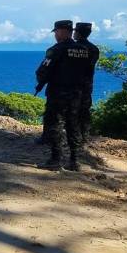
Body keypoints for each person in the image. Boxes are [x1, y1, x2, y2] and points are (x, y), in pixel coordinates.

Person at [35, 20, 91, 171]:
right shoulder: (83, 49)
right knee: (73, 124)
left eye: (56, 32)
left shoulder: (56, 49)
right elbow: (87, 72)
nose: (55, 35)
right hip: (77, 93)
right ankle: (75, 160)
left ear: (63, 31)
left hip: (58, 93)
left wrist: (41, 81)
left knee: (55, 124)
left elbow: (42, 71)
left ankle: (56, 159)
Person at [73, 22, 100, 143]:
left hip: (73, 84)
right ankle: (84, 135)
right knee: (85, 110)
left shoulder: (72, 48)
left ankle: (72, 135)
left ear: (78, 32)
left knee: (70, 110)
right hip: (87, 84)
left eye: (75, 31)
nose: (73, 33)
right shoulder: (94, 49)